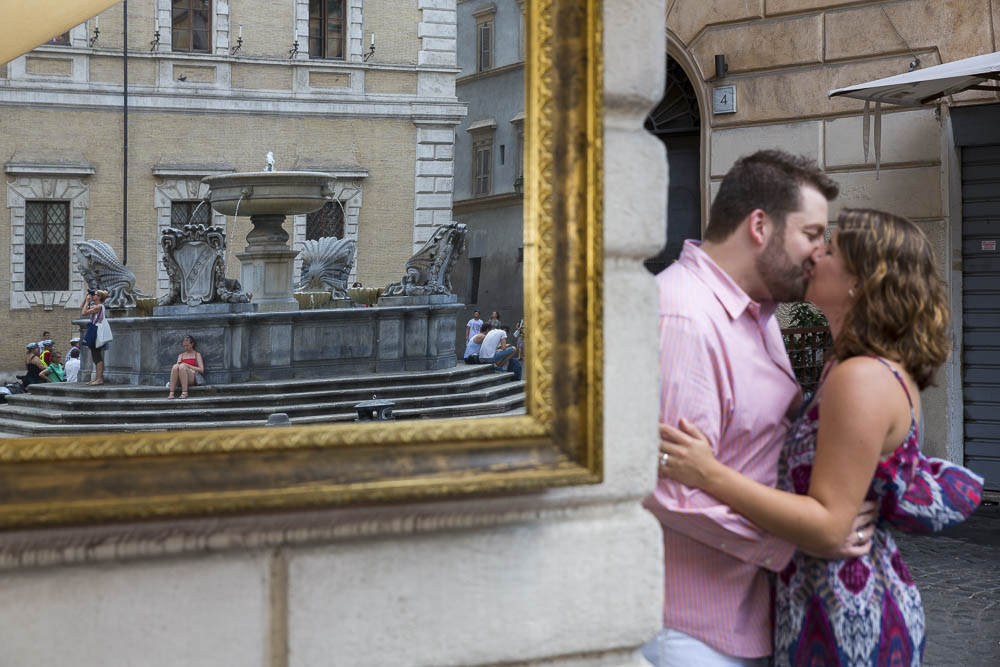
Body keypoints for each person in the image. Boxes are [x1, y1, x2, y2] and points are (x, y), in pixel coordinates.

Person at [659, 209, 983, 667]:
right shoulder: (847, 364)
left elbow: (831, 527)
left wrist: (707, 473)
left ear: (860, 282)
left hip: (847, 619)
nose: (815, 253)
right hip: (820, 604)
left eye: (829, 249)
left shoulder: (862, 377)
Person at [642, 150, 855, 667]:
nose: (819, 253)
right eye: (811, 234)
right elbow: (670, 492)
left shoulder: (756, 313)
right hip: (690, 627)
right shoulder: (683, 318)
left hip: (743, 616)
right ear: (760, 225)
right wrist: (801, 540)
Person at [81, 289, 109, 385]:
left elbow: (84, 313)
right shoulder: (97, 306)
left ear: (99, 297)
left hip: (96, 331)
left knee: (97, 355)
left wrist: (88, 301)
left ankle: (99, 379)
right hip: (94, 330)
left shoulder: (99, 307)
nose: (93, 296)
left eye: (95, 294)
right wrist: (86, 299)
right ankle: (97, 378)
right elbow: (82, 307)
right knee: (95, 355)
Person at [168, 335, 205, 399]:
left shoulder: (197, 354)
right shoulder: (181, 355)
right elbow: (177, 368)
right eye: (184, 346)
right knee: (175, 366)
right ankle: (171, 392)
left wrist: (188, 366)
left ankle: (185, 392)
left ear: (192, 344)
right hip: (180, 378)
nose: (186, 348)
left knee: (182, 366)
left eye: (187, 345)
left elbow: (202, 370)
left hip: (192, 377)